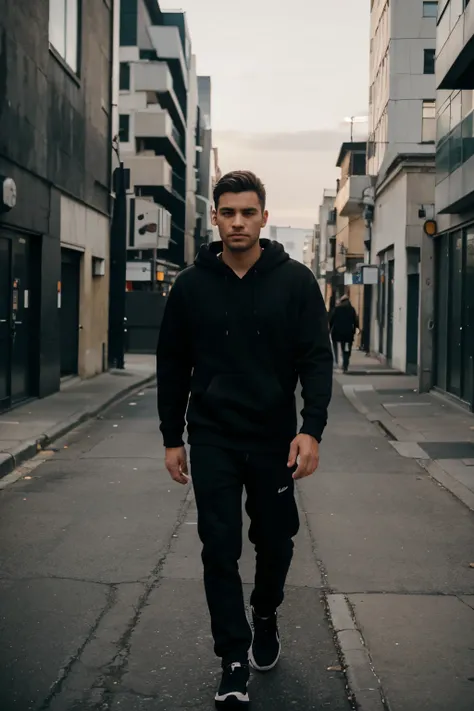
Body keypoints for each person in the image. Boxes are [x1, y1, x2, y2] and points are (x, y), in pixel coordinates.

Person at [156, 171, 333, 709]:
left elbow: (316, 359)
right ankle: (233, 657)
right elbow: (172, 364)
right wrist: (172, 437)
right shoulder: (191, 285)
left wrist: (311, 429)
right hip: (212, 436)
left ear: (263, 215)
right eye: (228, 212)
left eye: (247, 212)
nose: (237, 222)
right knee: (218, 546)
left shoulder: (295, 281)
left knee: (275, 541)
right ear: (215, 217)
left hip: (274, 437)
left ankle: (265, 611)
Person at [329, 294, 359, 373]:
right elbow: (355, 320)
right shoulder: (352, 309)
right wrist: (357, 328)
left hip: (338, 332)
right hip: (348, 333)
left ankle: (340, 362)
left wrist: (329, 329)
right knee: (347, 349)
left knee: (341, 347)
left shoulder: (337, 309)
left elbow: (331, 320)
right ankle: (345, 363)